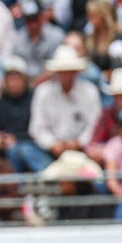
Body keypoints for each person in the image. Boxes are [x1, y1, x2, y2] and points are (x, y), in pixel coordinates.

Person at [23, 45, 102, 174]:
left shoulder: (89, 91)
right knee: (26, 150)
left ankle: (58, 176)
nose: (66, 75)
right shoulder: (42, 92)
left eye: (70, 71)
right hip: (50, 151)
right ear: (56, 72)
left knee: (98, 151)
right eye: (63, 71)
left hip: (82, 149)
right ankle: (57, 174)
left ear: (76, 72)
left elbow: (94, 124)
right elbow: (36, 128)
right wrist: (52, 144)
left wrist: (78, 142)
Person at [0, 57, 35, 169]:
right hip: (4, 143)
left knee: (17, 150)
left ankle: (17, 180)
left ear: (24, 80)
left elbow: (36, 130)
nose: (14, 83)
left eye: (17, 78)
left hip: (26, 142)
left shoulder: (34, 99)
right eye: (10, 79)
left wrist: (16, 138)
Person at [11, 0, 66, 82]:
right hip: (25, 82)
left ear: (41, 17)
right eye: (29, 20)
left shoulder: (56, 36)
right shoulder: (18, 38)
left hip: (51, 81)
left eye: (35, 19)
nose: (32, 24)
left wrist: (41, 79)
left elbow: (59, 63)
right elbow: (16, 64)